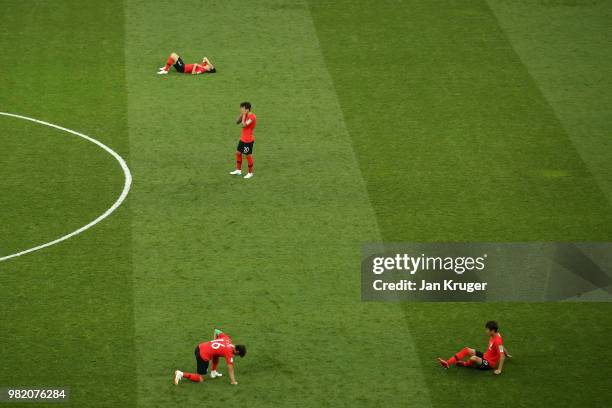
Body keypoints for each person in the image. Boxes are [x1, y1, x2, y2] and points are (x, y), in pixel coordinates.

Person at [174, 328, 246, 385]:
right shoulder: (229, 353)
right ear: (237, 351)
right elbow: (231, 369)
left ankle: (213, 373)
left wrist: (214, 341)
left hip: (199, 347)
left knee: (216, 354)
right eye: (238, 355)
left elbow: (216, 330)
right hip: (202, 355)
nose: (236, 355)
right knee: (200, 378)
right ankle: (181, 374)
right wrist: (233, 381)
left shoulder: (227, 339)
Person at [437, 320, 511, 375]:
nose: (486, 331)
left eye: (487, 329)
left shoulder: (498, 341)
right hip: (486, 356)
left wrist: (499, 370)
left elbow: (502, 356)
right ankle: (447, 363)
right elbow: (502, 347)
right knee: (466, 350)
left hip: (489, 363)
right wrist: (507, 353)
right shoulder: (495, 335)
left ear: (493, 330)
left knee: (473, 358)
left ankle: (465, 364)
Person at [229, 102, 257, 179]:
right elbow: (237, 122)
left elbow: (244, 125)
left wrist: (244, 115)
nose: (241, 110)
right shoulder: (245, 114)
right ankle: (238, 170)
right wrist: (242, 115)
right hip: (243, 138)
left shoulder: (252, 117)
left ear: (247, 109)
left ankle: (250, 173)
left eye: (243, 109)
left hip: (248, 140)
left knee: (248, 155)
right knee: (238, 153)